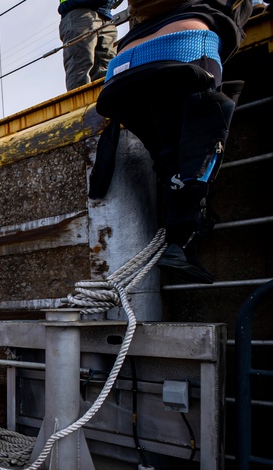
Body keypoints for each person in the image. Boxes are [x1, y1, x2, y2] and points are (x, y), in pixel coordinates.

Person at [90, 0, 253, 283]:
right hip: (184, 45)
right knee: (201, 144)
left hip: (120, 71)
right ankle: (182, 243)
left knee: (168, 157)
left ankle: (181, 242)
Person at [58, 0, 119, 90]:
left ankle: (105, 102)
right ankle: (81, 102)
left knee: (107, 72)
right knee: (80, 70)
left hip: (105, 15)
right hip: (79, 11)